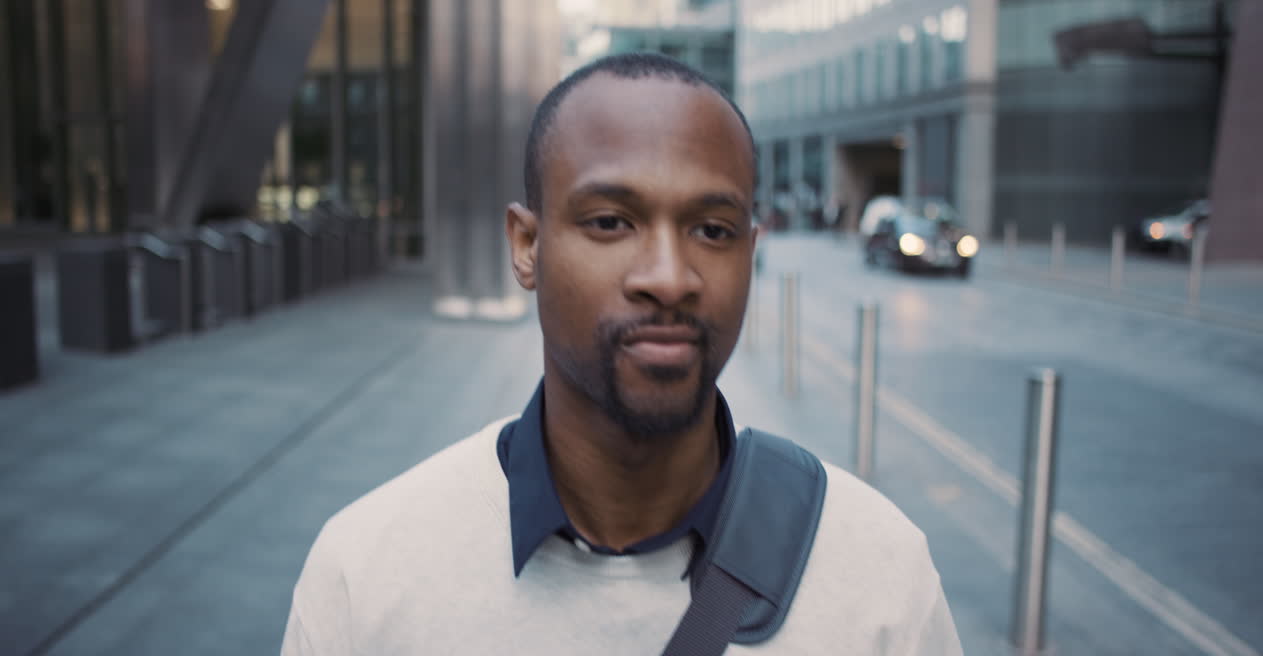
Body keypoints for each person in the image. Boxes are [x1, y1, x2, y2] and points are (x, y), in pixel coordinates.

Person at [281, 53, 963, 655]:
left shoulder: (882, 577)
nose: (668, 276)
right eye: (610, 222)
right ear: (527, 245)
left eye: (712, 229)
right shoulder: (366, 573)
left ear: (751, 256)